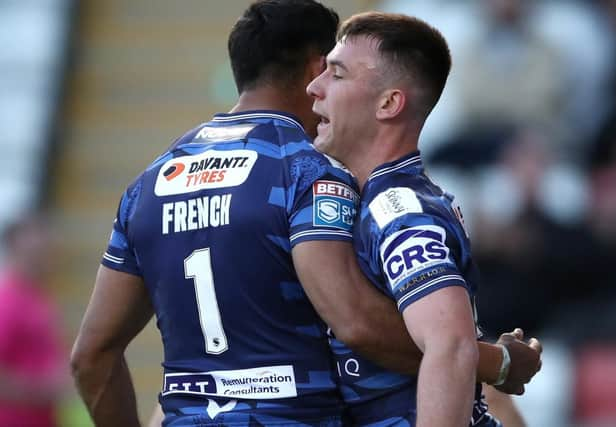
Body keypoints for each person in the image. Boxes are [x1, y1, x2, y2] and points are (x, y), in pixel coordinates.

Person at [72, 2, 541, 426]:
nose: (322, 87)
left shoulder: (148, 185)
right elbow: (358, 322)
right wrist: (494, 361)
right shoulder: (309, 175)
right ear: (314, 69)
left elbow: (91, 356)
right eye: (330, 69)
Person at [307, 11, 541, 426]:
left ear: (389, 103)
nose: (314, 87)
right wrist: (499, 359)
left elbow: (449, 345)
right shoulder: (385, 198)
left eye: (337, 75)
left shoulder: (397, 209)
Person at [0, 214, 68, 427]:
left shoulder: (38, 297)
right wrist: (41, 388)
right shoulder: (7, 301)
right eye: (36, 244)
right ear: (14, 245)